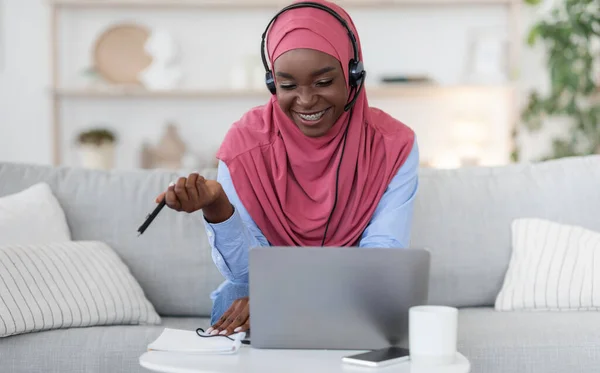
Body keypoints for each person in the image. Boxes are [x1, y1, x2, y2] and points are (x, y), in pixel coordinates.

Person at [155, 0, 419, 337]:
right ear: (271, 84)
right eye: (289, 86)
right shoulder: (244, 144)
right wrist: (218, 207)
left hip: (352, 299)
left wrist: (283, 299)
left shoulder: (395, 145)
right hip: (264, 295)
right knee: (238, 295)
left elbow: (381, 264)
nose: (306, 100)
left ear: (354, 76)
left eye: (323, 82)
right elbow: (246, 276)